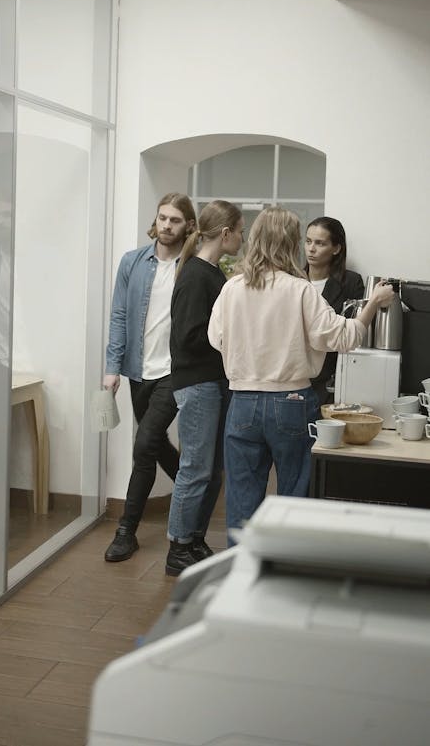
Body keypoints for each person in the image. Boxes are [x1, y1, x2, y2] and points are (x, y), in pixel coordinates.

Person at [207, 207, 394, 541]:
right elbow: (344, 338)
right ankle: (287, 572)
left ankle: (241, 573)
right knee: (295, 496)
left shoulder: (232, 289)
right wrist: (372, 304)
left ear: (256, 239)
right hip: (291, 401)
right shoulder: (301, 290)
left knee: (241, 499)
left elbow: (215, 338)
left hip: (242, 401)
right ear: (291, 242)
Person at [103, 192, 197, 562]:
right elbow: (120, 317)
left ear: (188, 225)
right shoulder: (132, 262)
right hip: (138, 369)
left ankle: (126, 531)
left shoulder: (192, 266)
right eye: (162, 218)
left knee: (144, 446)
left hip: (176, 371)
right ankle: (200, 492)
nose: (166, 225)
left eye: (175, 220)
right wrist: (112, 368)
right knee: (154, 443)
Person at [165, 200, 244, 576]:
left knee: (212, 471)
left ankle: (193, 538)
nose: (243, 239)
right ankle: (178, 546)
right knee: (195, 468)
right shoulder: (197, 275)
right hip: (197, 384)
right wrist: (229, 340)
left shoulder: (211, 273)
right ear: (225, 233)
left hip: (211, 383)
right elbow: (188, 336)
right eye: (240, 231)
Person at [304, 216, 365, 406]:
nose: (311, 249)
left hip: (332, 377)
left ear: (336, 248)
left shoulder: (351, 282)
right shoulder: (292, 280)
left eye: (320, 243)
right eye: (308, 241)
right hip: (295, 375)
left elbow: (352, 331)